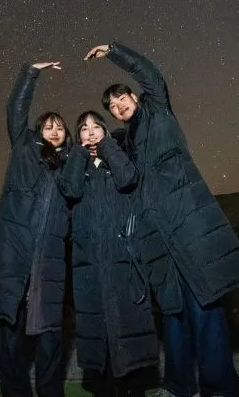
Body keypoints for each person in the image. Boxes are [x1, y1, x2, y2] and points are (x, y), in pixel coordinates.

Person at [84, 42, 239, 397]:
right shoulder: (126, 140)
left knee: (204, 305)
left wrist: (114, 52)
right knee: (173, 313)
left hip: (187, 222)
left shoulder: (158, 111)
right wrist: (100, 146)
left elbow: (151, 75)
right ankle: (178, 385)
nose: (119, 107)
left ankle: (220, 388)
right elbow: (124, 176)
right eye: (114, 107)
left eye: (122, 99)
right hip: (157, 233)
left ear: (134, 95)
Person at [0, 61, 73, 397]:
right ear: (37, 132)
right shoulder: (24, 150)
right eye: (48, 126)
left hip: (50, 261)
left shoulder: (72, 165)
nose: (55, 130)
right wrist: (30, 72)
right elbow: (16, 109)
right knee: (12, 335)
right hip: (16, 255)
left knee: (50, 337)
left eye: (60, 126)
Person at [59, 110, 158, 397]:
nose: (91, 132)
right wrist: (79, 155)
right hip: (89, 262)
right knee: (98, 328)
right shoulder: (75, 166)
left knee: (128, 324)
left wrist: (108, 148)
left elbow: (128, 178)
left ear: (105, 131)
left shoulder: (117, 161)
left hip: (122, 259)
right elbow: (70, 189)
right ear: (77, 137)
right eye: (84, 128)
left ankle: (133, 386)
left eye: (96, 126)